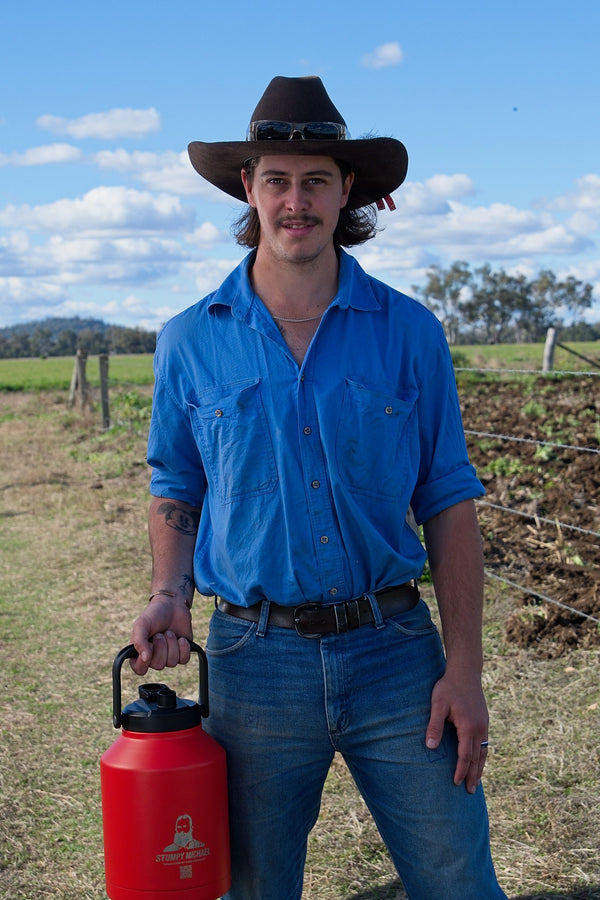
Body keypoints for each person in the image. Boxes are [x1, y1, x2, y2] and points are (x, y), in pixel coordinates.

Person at [130, 75, 507, 899]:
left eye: (315, 181)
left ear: (347, 195)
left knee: (456, 876)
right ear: (248, 188)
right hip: (251, 661)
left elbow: (447, 497)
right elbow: (177, 480)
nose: (294, 200)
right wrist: (169, 592)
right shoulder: (191, 341)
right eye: (277, 179)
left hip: (397, 654)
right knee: (255, 886)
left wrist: (465, 667)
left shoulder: (410, 332)